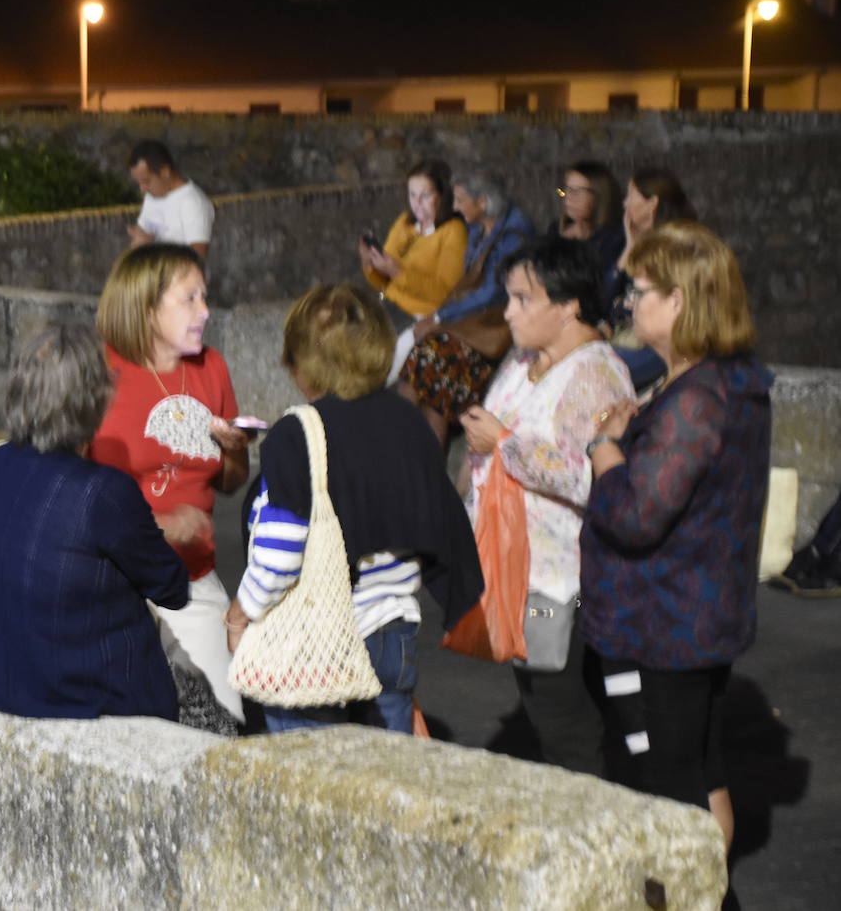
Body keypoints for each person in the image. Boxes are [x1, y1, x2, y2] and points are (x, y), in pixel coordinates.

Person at [581, 221, 772, 850]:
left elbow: (637, 514)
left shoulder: (698, 398)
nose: (630, 302)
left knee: (672, 789)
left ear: (681, 300)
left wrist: (606, 448)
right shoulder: (724, 382)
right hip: (695, 616)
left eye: (641, 289)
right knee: (702, 776)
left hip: (664, 626)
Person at [225, 284, 482, 734]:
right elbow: (436, 518)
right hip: (394, 633)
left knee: (310, 785)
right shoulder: (409, 422)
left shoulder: (298, 433)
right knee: (383, 789)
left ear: (302, 361)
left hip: (318, 643)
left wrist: (240, 611)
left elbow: (280, 555)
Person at [458, 235, 634, 776]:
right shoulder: (524, 357)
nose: (508, 312)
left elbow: (592, 478)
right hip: (516, 564)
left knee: (561, 710)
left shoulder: (594, 374)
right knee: (542, 695)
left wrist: (503, 444)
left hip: (563, 578)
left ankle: (590, 829)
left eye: (522, 299)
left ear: (567, 306)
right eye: (508, 297)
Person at [0, 323, 190, 720]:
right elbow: (172, 588)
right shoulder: (100, 491)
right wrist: (167, 531)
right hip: (87, 705)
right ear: (93, 401)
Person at [90, 243, 249, 728]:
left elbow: (228, 483)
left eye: (206, 296)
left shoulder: (211, 368)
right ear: (146, 307)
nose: (206, 310)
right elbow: (64, 492)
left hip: (189, 581)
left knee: (221, 727)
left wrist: (236, 450)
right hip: (111, 586)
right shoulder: (98, 375)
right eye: (190, 298)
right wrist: (154, 525)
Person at [397, 168, 534, 446]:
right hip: (469, 324)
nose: (455, 206)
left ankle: (413, 454)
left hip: (492, 329)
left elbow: (492, 293)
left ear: (482, 202)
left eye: (460, 199)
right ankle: (402, 449)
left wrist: (441, 315)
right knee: (424, 365)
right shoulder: (477, 228)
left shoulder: (514, 235)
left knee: (433, 360)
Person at [356, 158, 467, 382]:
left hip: (418, 315)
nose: (417, 203)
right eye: (412, 195)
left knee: (375, 372)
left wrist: (398, 273)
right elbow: (381, 282)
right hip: (389, 306)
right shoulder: (405, 223)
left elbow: (444, 293)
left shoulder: (453, 232)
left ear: (442, 196)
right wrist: (369, 263)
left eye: (425, 195)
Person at [607, 168, 699, 389]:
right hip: (630, 341)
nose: (624, 204)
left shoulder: (679, 247)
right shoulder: (629, 241)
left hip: (659, 347)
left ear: (652, 203)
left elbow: (623, 308)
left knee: (597, 371)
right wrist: (629, 248)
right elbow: (605, 301)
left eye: (631, 196)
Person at [550, 160, 624, 313]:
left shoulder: (613, 239)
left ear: (599, 195)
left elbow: (604, 293)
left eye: (577, 191)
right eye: (565, 190)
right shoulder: (555, 230)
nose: (568, 198)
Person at [126, 140, 214, 257]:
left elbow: (198, 257)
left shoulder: (193, 202)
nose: (142, 189)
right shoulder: (151, 197)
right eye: (139, 183)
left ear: (165, 172)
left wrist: (149, 247)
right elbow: (142, 234)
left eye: (146, 182)